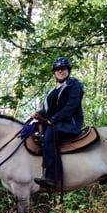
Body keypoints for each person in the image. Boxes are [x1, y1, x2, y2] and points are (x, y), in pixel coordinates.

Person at [32, 56, 84, 189]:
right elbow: (47, 109)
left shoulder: (74, 85)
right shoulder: (52, 90)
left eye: (63, 69)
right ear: (54, 72)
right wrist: (38, 114)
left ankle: (53, 177)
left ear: (68, 70)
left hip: (68, 123)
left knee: (49, 137)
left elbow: (71, 106)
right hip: (54, 122)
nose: (60, 71)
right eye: (57, 69)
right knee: (31, 131)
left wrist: (53, 119)